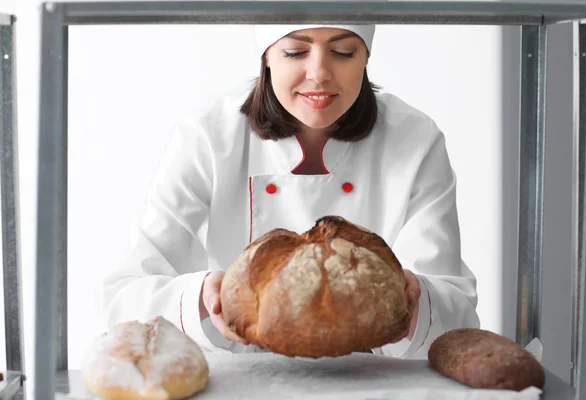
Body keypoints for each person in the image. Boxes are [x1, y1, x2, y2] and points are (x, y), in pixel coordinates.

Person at [103, 23, 480, 359]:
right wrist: (201, 298)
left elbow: (455, 310)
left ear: (366, 56)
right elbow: (126, 296)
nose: (319, 74)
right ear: (266, 57)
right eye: (295, 52)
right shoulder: (209, 136)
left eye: (343, 52)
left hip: (372, 380)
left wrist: (415, 298)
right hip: (244, 379)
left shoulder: (415, 139)